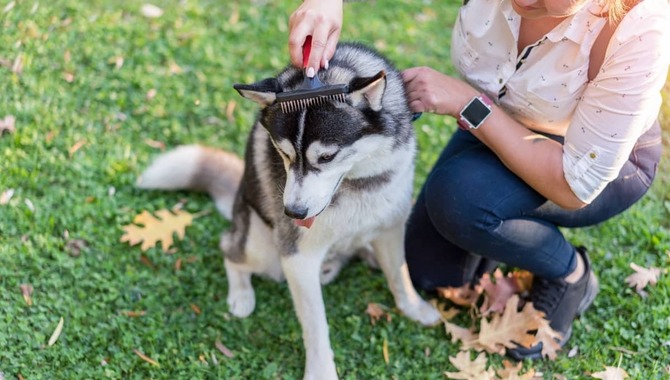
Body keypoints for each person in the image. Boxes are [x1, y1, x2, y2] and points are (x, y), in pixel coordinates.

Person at [288, 0, 670, 359]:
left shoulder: (642, 29)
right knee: (429, 269)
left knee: (460, 199)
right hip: (499, 119)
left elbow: (573, 185)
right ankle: (497, 222)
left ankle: (569, 273)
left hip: (586, 163)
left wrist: (465, 103)